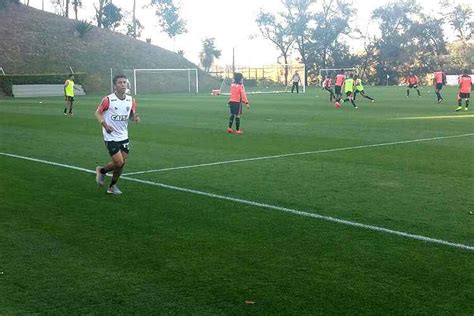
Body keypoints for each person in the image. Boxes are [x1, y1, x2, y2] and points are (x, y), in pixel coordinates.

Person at [95, 74, 140, 194]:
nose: (123, 84)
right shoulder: (108, 99)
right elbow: (98, 113)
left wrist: (135, 118)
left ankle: (111, 185)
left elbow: (131, 115)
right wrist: (105, 125)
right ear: (115, 85)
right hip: (110, 136)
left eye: (124, 82)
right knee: (119, 162)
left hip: (124, 136)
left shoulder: (131, 100)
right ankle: (102, 172)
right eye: (120, 82)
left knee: (121, 164)